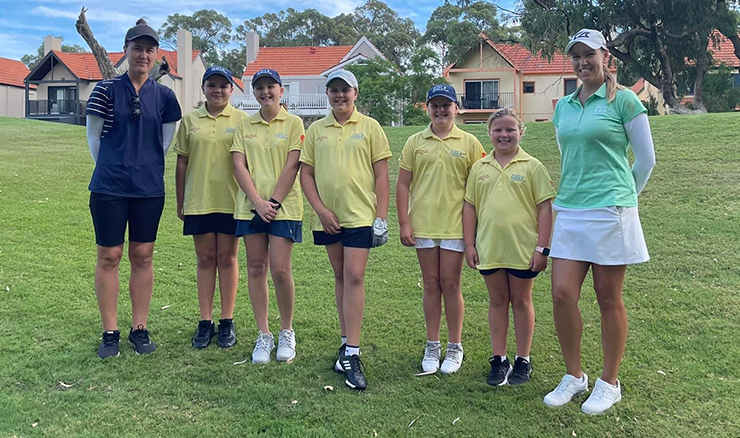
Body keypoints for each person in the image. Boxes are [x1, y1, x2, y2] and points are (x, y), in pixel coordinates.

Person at [543, 29, 656, 414]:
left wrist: (624, 199)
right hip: (571, 210)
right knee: (562, 295)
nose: (581, 62)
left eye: (588, 54)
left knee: (608, 299)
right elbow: (568, 155)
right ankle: (574, 376)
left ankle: (610, 382)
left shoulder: (624, 100)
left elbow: (646, 160)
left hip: (611, 212)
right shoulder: (564, 106)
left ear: (605, 55)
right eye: (575, 56)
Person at [86, 19, 181, 358]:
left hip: (148, 188)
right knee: (109, 256)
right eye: (137, 48)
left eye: (149, 49)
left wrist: (141, 167)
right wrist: (117, 166)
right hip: (109, 187)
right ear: (126, 51)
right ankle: (110, 330)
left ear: (156, 55)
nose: (143, 54)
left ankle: (138, 327)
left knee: (143, 256)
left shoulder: (166, 97)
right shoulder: (105, 91)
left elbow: (165, 143)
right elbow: (94, 139)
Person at [299, 69, 391, 390]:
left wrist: (381, 216)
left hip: (360, 216)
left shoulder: (370, 127)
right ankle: (344, 344)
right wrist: (321, 211)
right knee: (340, 277)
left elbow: (381, 175)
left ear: (356, 92)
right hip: (328, 218)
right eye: (334, 90)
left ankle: (353, 350)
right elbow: (306, 175)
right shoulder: (316, 130)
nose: (340, 95)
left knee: (354, 276)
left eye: (345, 90)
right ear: (328, 94)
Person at [396, 84, 486, 374]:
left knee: (451, 284)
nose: (440, 110)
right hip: (423, 224)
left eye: (446, 105)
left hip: (456, 226)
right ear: (427, 108)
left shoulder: (470, 142)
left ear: (456, 108)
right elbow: (403, 184)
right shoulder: (414, 141)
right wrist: (404, 222)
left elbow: (480, 185)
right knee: (431, 283)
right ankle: (433, 344)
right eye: (434, 105)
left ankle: (454, 346)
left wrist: (476, 229)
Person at [463, 109, 555, 386]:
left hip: (523, 250)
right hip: (490, 248)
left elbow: (545, 210)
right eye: (497, 130)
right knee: (498, 301)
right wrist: (469, 243)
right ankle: (499, 358)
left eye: (510, 130)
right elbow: (469, 207)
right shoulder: (480, 168)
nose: (504, 135)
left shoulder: (533, 166)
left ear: (521, 132)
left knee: (522, 301)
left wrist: (543, 248)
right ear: (489, 133)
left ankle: (522, 359)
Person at [231, 69, 305, 364]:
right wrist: (257, 201)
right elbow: (239, 166)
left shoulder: (294, 123)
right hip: (251, 206)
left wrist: (272, 202)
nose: (265, 92)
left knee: (280, 270)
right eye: (259, 87)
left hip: (284, 207)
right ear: (254, 92)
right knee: (255, 267)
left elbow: (293, 165)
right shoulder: (244, 124)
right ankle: (264, 334)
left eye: (270, 87)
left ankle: (286, 330)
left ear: (281, 90)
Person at [174, 66, 246, 350]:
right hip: (199, 200)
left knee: (227, 258)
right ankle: (205, 322)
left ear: (231, 89)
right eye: (212, 85)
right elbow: (182, 162)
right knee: (205, 259)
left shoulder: (242, 121)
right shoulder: (190, 120)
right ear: (203, 88)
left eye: (223, 85)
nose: (218, 90)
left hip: (231, 200)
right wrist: (181, 201)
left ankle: (226, 321)